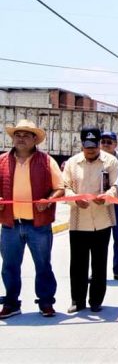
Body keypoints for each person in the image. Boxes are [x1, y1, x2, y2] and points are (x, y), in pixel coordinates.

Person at [0, 119, 64, 319]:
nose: (21, 138)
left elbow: (60, 188)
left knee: (43, 265)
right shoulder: (1, 161)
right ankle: (11, 303)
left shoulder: (46, 161)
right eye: (17, 134)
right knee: (9, 266)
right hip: (10, 224)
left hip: (39, 225)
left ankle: (46, 302)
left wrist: (48, 200)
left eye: (26, 135)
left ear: (35, 139)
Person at [63, 127, 118, 313]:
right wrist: (74, 199)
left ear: (98, 144)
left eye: (94, 146)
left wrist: (106, 196)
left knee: (99, 263)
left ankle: (96, 301)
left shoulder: (110, 161)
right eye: (87, 146)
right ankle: (77, 301)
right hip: (79, 220)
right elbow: (65, 187)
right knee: (78, 264)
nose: (91, 150)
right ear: (81, 145)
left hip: (102, 220)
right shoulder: (72, 163)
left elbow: (116, 186)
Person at [99, 131, 118, 281]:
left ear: (116, 144)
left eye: (109, 142)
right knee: (99, 241)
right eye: (103, 141)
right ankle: (97, 272)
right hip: (100, 205)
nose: (105, 144)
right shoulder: (94, 160)